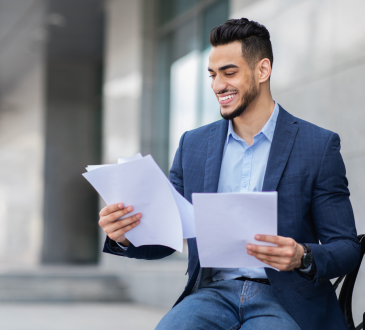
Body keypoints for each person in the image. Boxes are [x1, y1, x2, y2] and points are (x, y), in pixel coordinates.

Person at [98, 18, 360, 330]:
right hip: (213, 294)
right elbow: (167, 238)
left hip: (286, 298)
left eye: (229, 72)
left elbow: (346, 248)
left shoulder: (317, 145)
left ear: (262, 71)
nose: (217, 85)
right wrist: (126, 236)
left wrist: (302, 255)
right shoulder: (193, 145)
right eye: (212, 75)